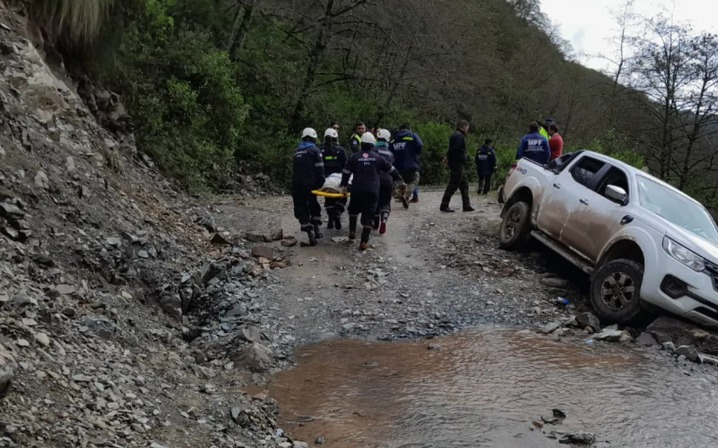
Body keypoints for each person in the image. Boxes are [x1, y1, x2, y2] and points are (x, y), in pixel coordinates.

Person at [340, 132, 405, 251]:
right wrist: (399, 179)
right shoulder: (378, 157)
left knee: (353, 209)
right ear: (372, 144)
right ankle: (364, 242)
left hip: (357, 188)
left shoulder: (354, 157)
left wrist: (344, 185)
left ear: (361, 143)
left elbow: (346, 172)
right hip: (372, 190)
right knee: (369, 214)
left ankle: (352, 231)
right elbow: (391, 170)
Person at [292, 128, 325, 246]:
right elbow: (320, 168)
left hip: (296, 185)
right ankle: (316, 229)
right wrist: (322, 183)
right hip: (310, 184)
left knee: (301, 207)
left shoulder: (297, 151)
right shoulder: (315, 150)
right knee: (313, 205)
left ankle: (308, 231)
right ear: (313, 138)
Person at [440, 120, 474, 213]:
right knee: (453, 184)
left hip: (458, 164)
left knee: (464, 185)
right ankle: (444, 205)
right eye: (467, 127)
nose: (468, 129)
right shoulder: (459, 136)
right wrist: (452, 159)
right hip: (457, 164)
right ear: (464, 127)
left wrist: (447, 157)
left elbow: (451, 149)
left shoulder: (455, 135)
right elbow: (455, 150)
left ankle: (466, 205)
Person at [319, 128, 348, 229]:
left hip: (326, 181)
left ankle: (331, 218)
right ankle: (338, 211)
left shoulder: (320, 150)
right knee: (342, 197)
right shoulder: (341, 150)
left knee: (328, 198)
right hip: (339, 180)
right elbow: (346, 166)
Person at [389, 123, 423, 208]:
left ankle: (402, 196)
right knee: (414, 179)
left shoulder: (394, 139)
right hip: (411, 164)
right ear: (409, 129)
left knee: (401, 181)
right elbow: (420, 145)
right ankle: (406, 196)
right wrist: (416, 153)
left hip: (397, 166)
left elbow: (389, 151)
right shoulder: (412, 136)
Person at [374, 129, 396, 235]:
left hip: (375, 179)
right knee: (386, 202)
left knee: (375, 201)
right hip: (388, 179)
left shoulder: (372, 150)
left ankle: (375, 221)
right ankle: (384, 219)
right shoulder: (390, 153)